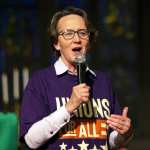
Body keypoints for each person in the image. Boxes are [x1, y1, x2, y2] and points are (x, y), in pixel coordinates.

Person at [20, 7, 133, 150]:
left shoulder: (102, 81)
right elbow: (31, 140)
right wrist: (68, 107)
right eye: (68, 33)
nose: (77, 39)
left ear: (89, 42)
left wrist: (124, 133)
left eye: (83, 33)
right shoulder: (40, 81)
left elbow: (109, 141)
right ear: (56, 43)